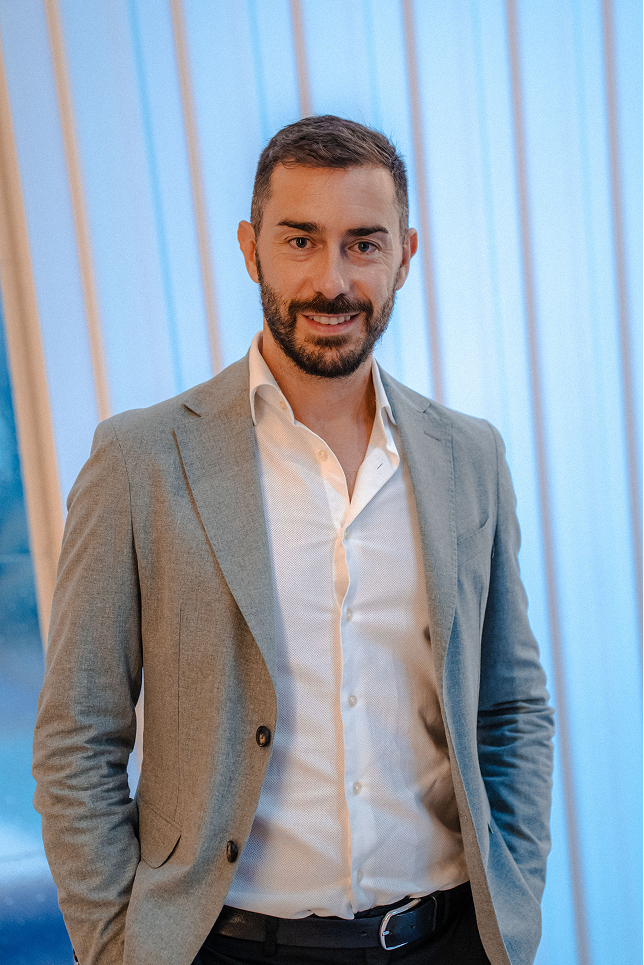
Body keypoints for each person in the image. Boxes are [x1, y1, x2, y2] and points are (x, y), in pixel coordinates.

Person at [33, 115, 554, 965]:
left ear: (405, 255)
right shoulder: (141, 461)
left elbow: (512, 708)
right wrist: (117, 949)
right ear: (251, 249)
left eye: (363, 244)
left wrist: (515, 904)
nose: (331, 280)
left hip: (447, 937)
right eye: (301, 240)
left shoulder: (470, 457)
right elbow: (76, 738)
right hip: (230, 945)